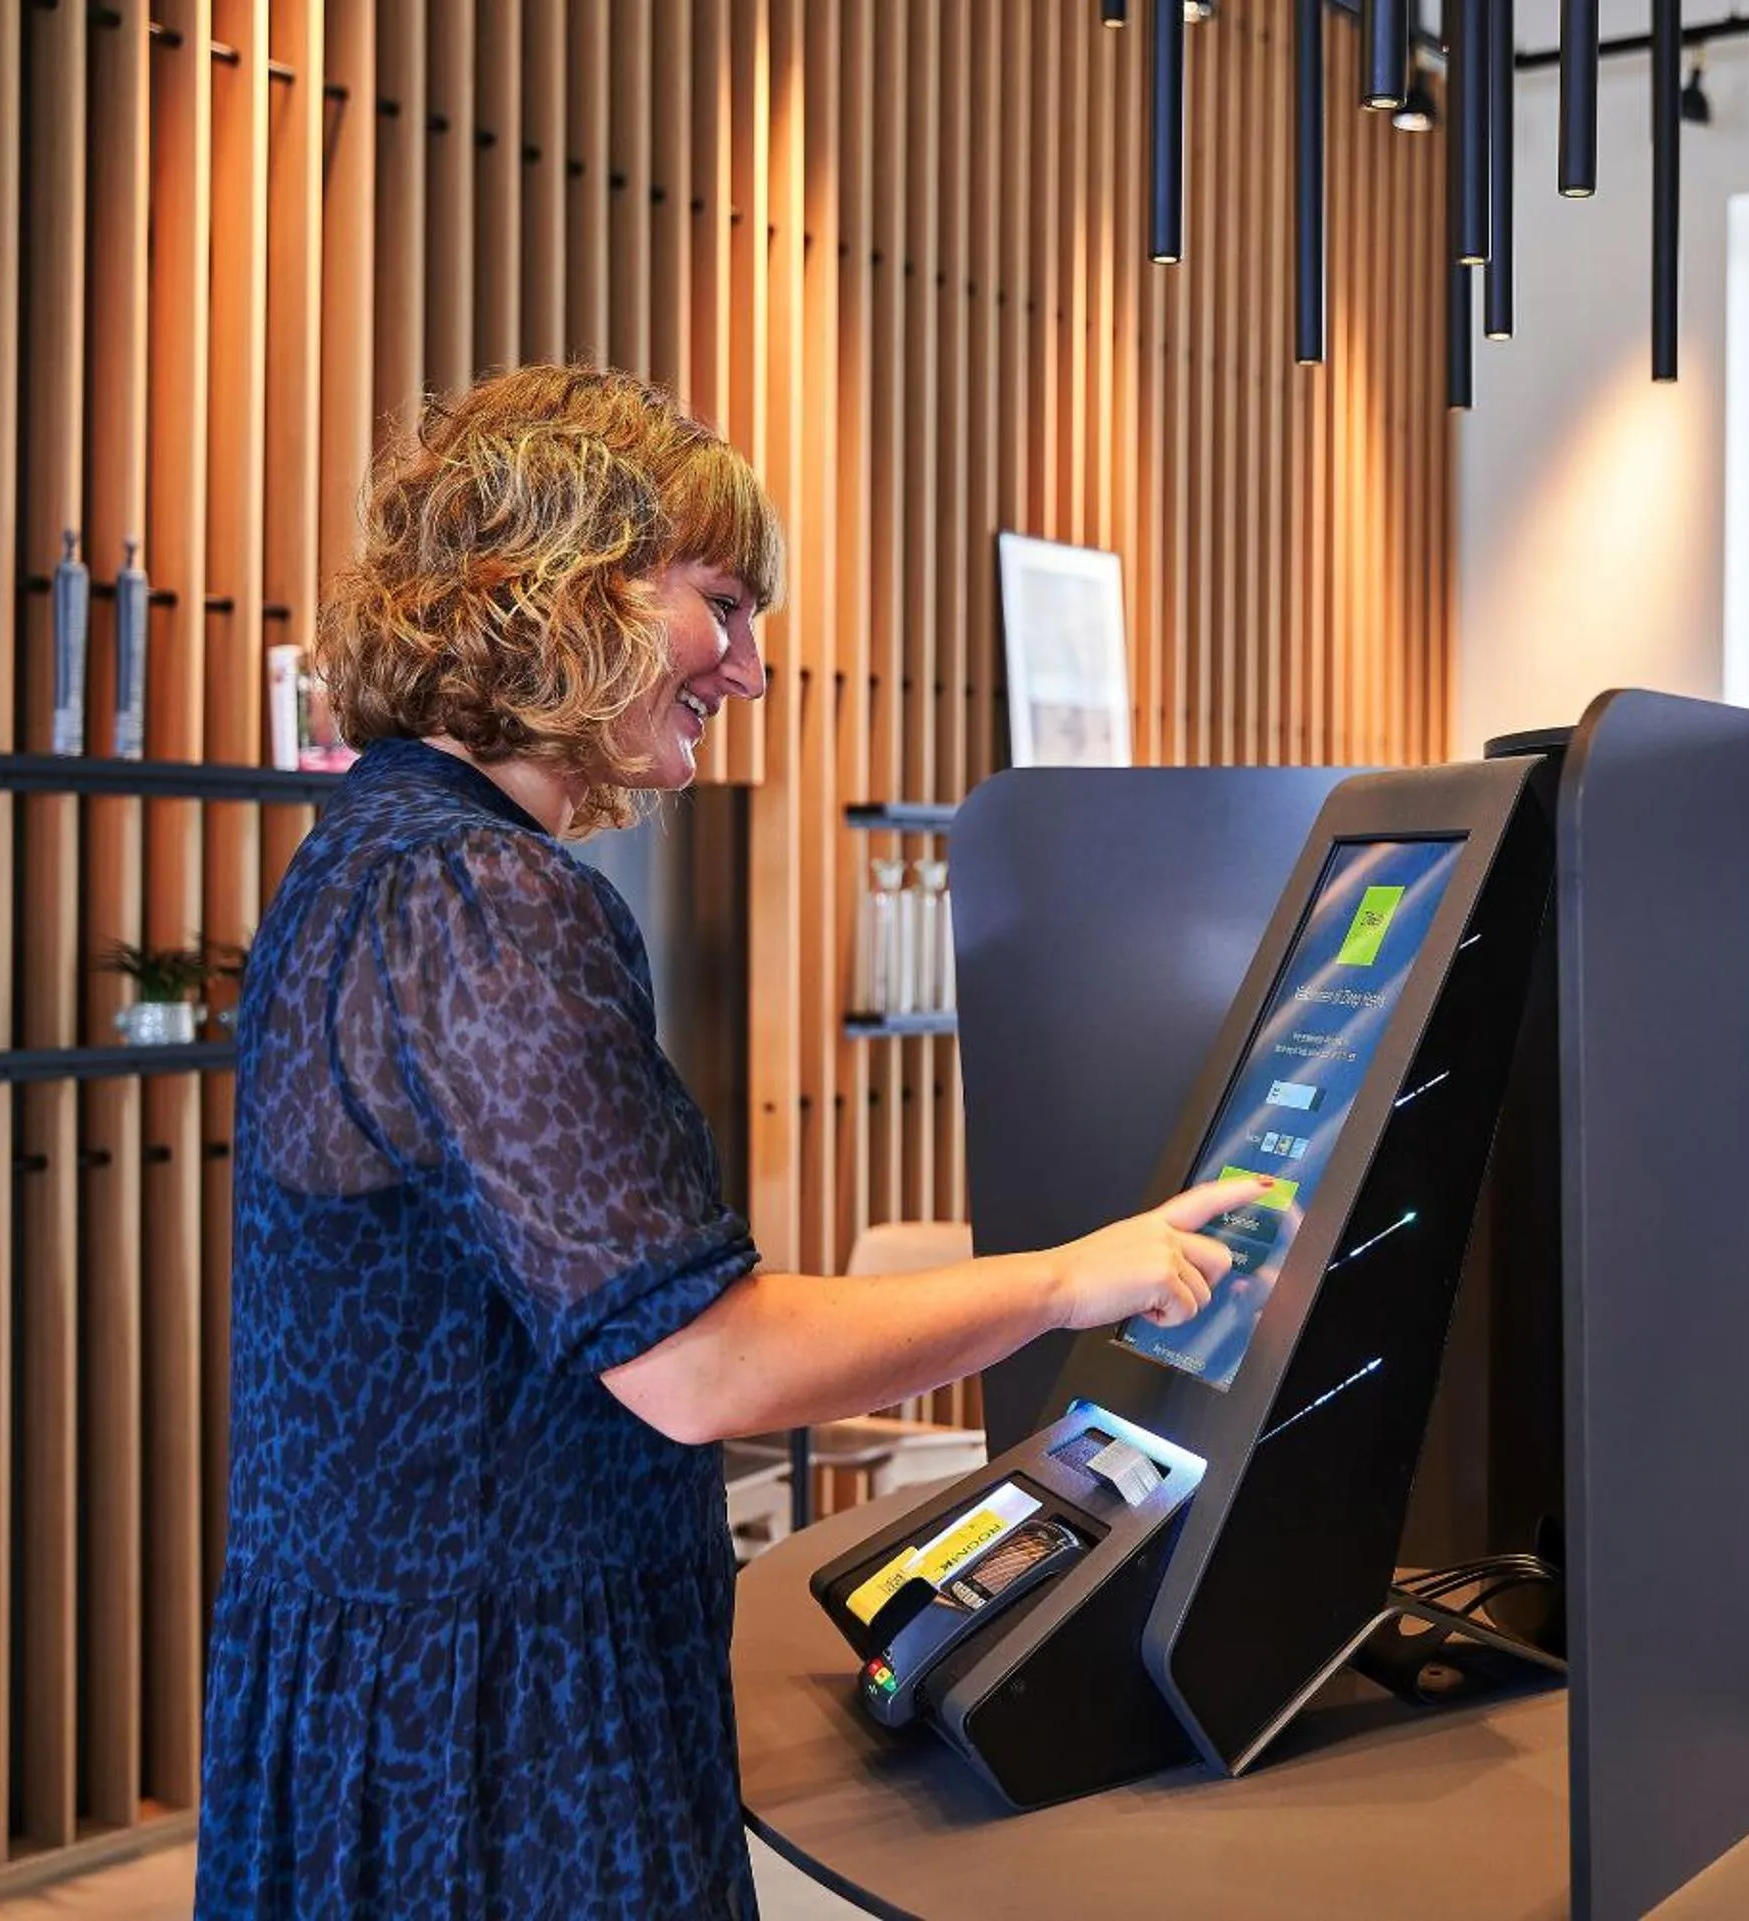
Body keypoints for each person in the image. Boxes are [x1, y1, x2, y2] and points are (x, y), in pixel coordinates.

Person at [195, 364, 1263, 1919]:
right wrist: (1068, 1282)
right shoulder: (485, 898)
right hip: (495, 1733)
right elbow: (701, 1363)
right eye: (721, 604)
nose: (751, 670)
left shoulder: (368, 853)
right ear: (561, 589)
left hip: (384, 1691)